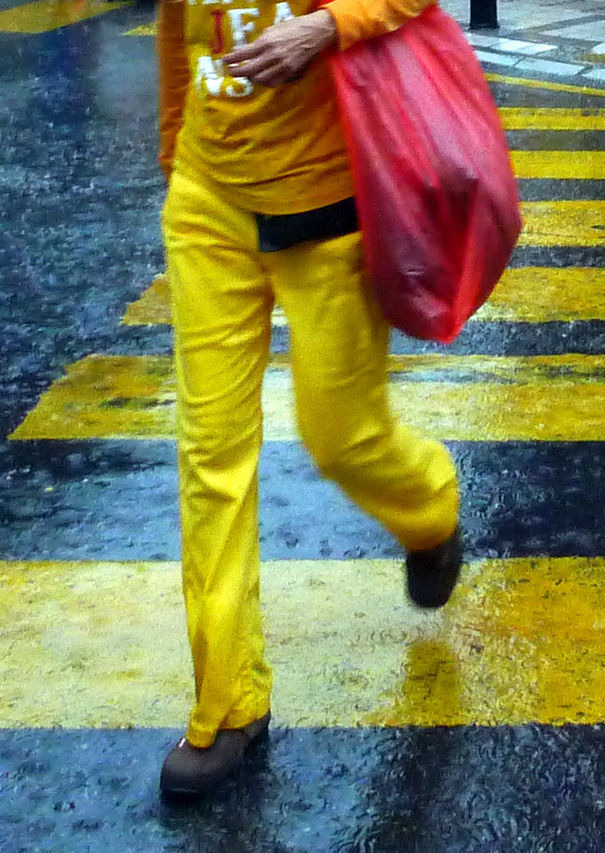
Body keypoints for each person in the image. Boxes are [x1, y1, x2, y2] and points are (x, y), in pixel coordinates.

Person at [155, 0, 462, 798]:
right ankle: (227, 702)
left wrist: (327, 27)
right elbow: (175, 26)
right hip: (207, 202)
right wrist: (172, 156)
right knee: (209, 452)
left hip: (330, 212)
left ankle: (430, 511)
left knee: (342, 437)